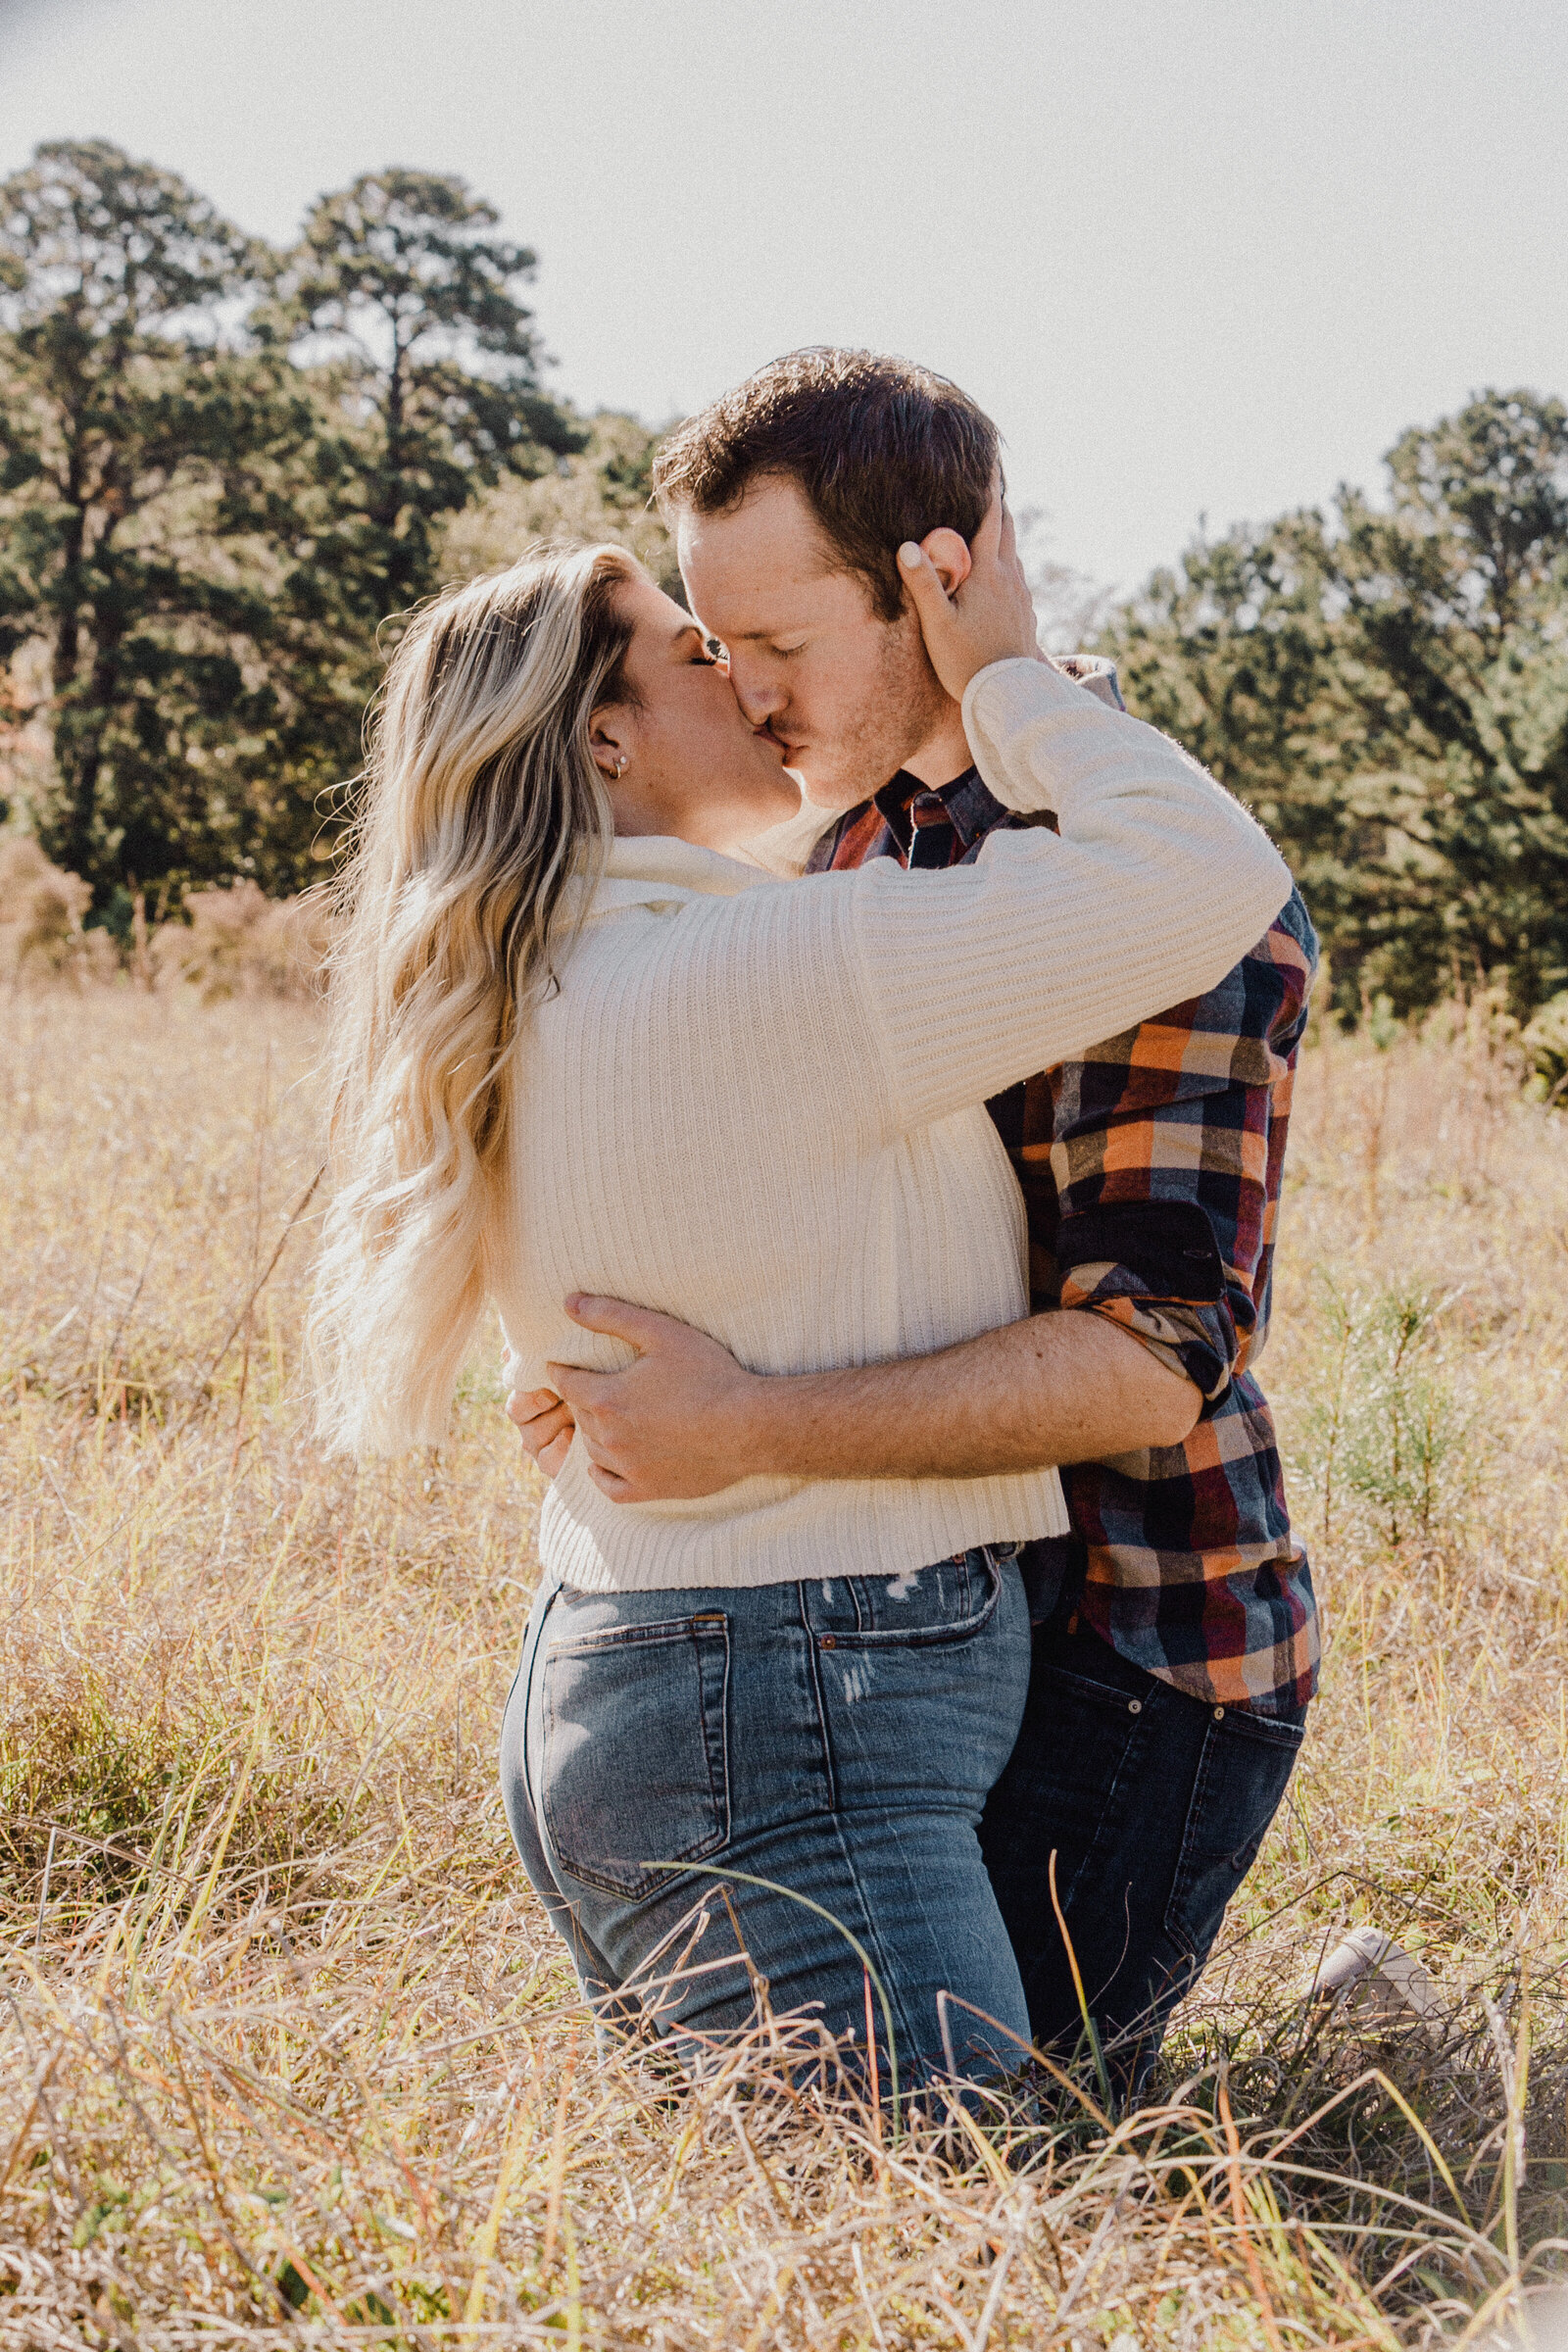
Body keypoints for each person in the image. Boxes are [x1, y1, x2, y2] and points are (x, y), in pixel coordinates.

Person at [507, 348, 1319, 2098]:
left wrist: (751, 1423)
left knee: (995, 2181)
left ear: (937, 588)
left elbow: (1147, 1368)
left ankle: (1363, 2060)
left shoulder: (1151, 879)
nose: (750, 693)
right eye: (717, 650)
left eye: (784, 648)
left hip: (1127, 1645)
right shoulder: (839, 842)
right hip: (892, 1614)